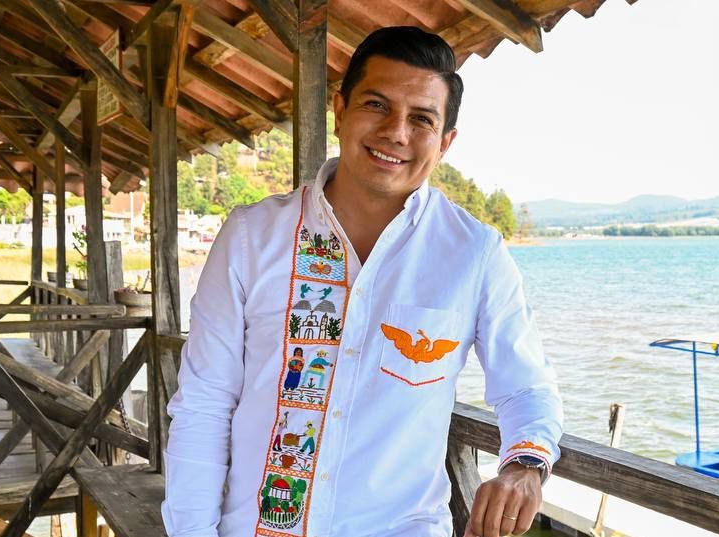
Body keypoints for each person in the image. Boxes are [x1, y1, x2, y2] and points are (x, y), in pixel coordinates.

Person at [162, 26, 563, 537]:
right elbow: (204, 404)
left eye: (422, 119)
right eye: (376, 105)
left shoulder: (473, 254)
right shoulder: (251, 237)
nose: (396, 132)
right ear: (341, 110)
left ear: (445, 142)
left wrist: (524, 465)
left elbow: (526, 386)